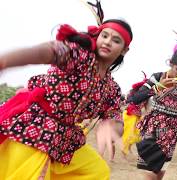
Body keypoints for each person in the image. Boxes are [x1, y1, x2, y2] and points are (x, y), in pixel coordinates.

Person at [0, 1, 133, 179]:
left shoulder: (111, 88)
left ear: (124, 49)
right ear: (97, 36)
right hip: (37, 127)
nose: (108, 42)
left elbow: (115, 115)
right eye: (105, 36)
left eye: (116, 40)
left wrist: (112, 127)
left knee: (97, 172)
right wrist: (5, 61)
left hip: (65, 138)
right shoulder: (80, 56)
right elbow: (48, 51)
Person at [127, 30, 177, 180]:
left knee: (160, 175)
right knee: (150, 175)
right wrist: (158, 87)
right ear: (170, 63)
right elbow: (134, 99)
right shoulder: (157, 77)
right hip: (153, 128)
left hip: (171, 132)